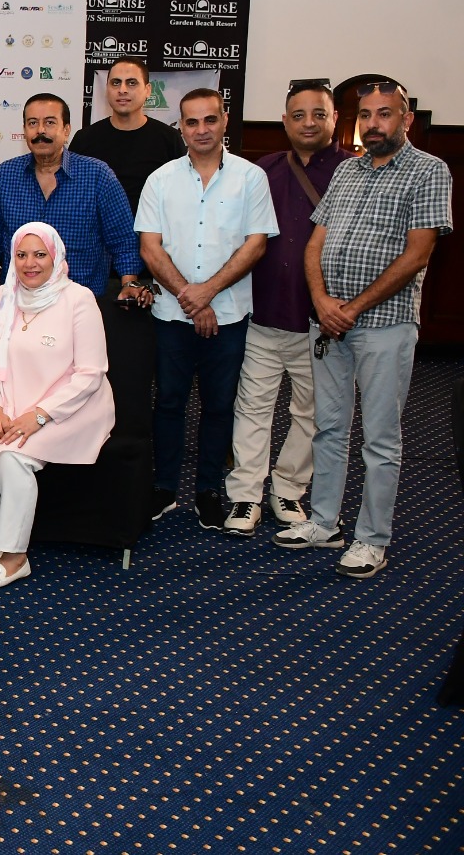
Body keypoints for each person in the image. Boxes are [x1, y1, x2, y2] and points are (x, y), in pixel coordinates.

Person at [276, 80, 453, 578]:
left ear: (406, 119)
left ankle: (372, 539)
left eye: (385, 114)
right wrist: (322, 301)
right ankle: (323, 523)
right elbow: (315, 243)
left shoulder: (429, 171)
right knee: (328, 427)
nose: (373, 124)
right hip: (329, 323)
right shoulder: (348, 170)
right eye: (366, 115)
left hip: (384, 326)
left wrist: (350, 308)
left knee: (380, 440)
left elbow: (418, 254)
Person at [136, 89, 276, 528]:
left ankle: (208, 490)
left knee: (220, 405)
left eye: (209, 120)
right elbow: (150, 248)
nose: (201, 130)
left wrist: (207, 293)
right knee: (169, 402)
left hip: (229, 315)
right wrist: (190, 297)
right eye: (192, 122)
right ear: (180, 126)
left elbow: (256, 245)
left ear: (224, 120)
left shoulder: (251, 178)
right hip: (171, 317)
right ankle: (164, 487)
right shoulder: (160, 179)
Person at [222, 79, 354, 534]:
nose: (308, 123)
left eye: (318, 114)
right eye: (298, 115)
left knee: (311, 413)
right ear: (285, 121)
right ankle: (245, 496)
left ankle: (288, 488)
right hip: (262, 314)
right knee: (252, 408)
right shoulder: (264, 170)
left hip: (320, 322)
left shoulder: (353, 173)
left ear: (334, 119)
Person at [0, 222, 114, 587]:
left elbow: (91, 373)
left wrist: (41, 415)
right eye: (21, 255)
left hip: (71, 407)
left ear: (56, 256)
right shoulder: (3, 297)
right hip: (11, 400)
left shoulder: (78, 299)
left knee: (13, 456)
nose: (29, 263)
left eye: (39, 255)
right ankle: (7, 533)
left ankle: (15, 557)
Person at [0, 94, 148, 303]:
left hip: (80, 302)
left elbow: (123, 239)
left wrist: (129, 284)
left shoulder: (97, 175)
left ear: (66, 130)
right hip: (17, 301)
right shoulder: (6, 175)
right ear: (24, 130)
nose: (40, 131)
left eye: (50, 123)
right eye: (33, 123)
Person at [70, 57, 185, 213]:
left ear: (148, 90)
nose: (122, 90)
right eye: (115, 83)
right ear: (107, 89)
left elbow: (181, 194)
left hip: (152, 227)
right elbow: (71, 193)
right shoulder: (84, 139)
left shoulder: (169, 138)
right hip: (97, 228)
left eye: (132, 83)